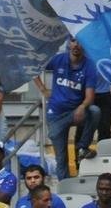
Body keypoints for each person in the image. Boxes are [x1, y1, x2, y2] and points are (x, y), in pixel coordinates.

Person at [34, 37, 99, 180]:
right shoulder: (59, 59)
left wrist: (82, 106)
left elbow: (90, 96)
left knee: (94, 111)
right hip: (56, 114)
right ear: (69, 43)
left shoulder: (89, 66)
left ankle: (82, 147)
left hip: (75, 112)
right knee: (61, 159)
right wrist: (43, 90)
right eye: (74, 41)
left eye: (81, 42)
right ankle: (66, 191)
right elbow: (33, 66)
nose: (77, 45)